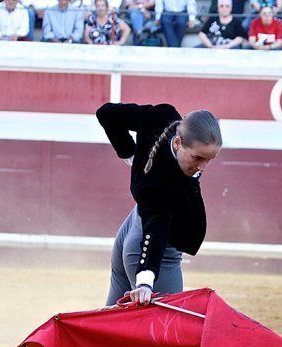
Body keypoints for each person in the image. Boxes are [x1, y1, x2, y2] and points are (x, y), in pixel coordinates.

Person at [95, 103, 222, 305]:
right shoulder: (157, 185)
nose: (203, 167)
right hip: (155, 252)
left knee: (108, 327)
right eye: (198, 157)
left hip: (131, 231)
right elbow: (157, 227)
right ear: (178, 143)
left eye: (210, 159)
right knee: (166, 333)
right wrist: (145, 282)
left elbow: (107, 114)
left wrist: (130, 155)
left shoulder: (163, 117)